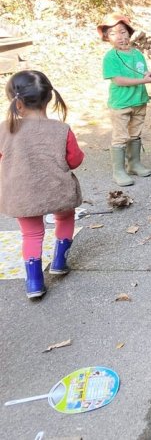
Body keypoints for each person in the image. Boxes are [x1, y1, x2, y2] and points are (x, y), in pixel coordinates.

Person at [0, 70, 85, 299]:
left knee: (31, 234)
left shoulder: (3, 129)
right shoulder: (61, 129)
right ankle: (59, 261)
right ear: (49, 98)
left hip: (22, 194)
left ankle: (34, 282)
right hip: (57, 189)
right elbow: (74, 160)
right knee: (65, 216)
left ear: (16, 103)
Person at [98, 12, 151, 186]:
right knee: (120, 136)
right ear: (107, 38)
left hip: (139, 101)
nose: (120, 37)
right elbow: (118, 80)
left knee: (135, 134)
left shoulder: (137, 54)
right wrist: (143, 80)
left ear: (129, 33)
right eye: (113, 33)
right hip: (121, 104)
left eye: (123, 32)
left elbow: (142, 71)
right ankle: (119, 171)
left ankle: (134, 164)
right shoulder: (110, 57)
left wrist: (149, 75)